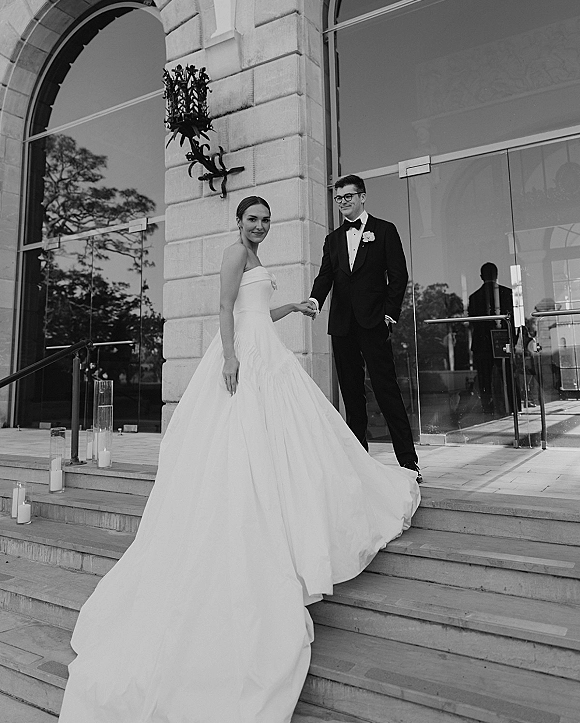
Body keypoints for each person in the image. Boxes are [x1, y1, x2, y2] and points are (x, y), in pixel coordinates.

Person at [58, 196, 420, 723]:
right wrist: (230, 358)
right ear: (239, 222)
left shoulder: (256, 257)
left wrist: (291, 308)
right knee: (243, 446)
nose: (260, 226)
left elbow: (255, 312)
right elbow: (226, 310)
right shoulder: (233, 253)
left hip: (268, 350)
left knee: (293, 441)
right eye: (253, 219)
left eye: (266, 220)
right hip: (244, 357)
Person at [307, 175, 422, 482]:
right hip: (342, 325)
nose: (343, 202)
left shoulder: (385, 230)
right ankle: (359, 463)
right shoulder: (332, 239)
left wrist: (389, 315)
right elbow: (325, 276)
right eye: (338, 198)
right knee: (351, 395)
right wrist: (315, 301)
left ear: (362, 196)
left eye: (348, 196)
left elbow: (398, 275)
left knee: (386, 391)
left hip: (374, 322)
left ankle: (409, 463)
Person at [468, 262, 517, 416]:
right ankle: (514, 408)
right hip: (502, 341)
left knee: (485, 380)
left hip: (482, 344)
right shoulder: (507, 293)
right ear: (497, 275)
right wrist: (513, 340)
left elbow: (473, 323)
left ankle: (487, 409)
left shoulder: (474, 297)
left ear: (481, 276)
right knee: (508, 376)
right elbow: (514, 320)